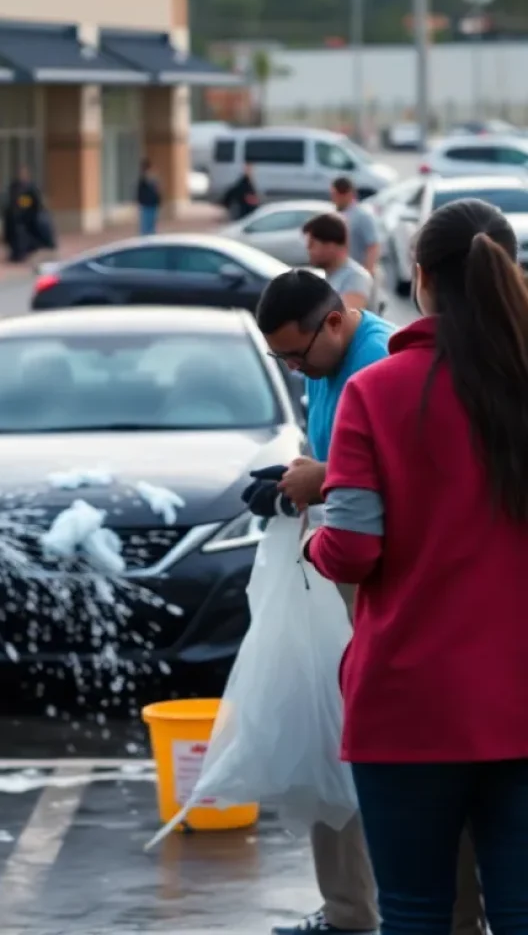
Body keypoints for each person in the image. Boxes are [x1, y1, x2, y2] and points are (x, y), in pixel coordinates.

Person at [303, 197, 528, 933]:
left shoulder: (377, 392)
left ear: (422, 278)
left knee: (415, 911)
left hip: (409, 702)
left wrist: (310, 543)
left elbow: (354, 551)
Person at [250, 269, 484, 935]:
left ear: (334, 322)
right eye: (280, 361)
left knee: (403, 763)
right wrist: (303, 478)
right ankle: (353, 908)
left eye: (297, 355)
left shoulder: (379, 366)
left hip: (393, 590)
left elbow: (393, 494)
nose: (295, 371)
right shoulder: (328, 369)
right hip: (387, 590)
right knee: (339, 737)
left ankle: (408, 910)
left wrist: (320, 490)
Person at [303, 213, 380, 314]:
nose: (308, 249)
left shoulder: (356, 277)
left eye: (312, 244)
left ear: (330, 246)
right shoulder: (330, 276)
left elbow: (341, 320)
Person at [330, 176, 382, 278]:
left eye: (335, 195)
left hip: (359, 274)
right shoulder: (338, 214)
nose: (333, 199)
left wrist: (367, 274)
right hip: (342, 274)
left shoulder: (362, 216)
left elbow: (373, 246)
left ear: (346, 194)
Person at [3, 165, 53, 263]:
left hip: (28, 215)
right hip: (15, 216)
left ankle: (24, 252)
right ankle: (15, 254)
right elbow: (11, 201)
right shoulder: (14, 186)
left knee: (25, 235)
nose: (22, 176)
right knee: (14, 235)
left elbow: (36, 202)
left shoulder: (31, 187)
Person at [137, 158, 162, 235]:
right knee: (145, 226)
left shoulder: (152, 179)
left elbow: (157, 191)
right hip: (146, 205)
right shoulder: (143, 179)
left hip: (151, 205)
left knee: (150, 226)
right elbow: (140, 192)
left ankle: (150, 239)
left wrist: (158, 201)